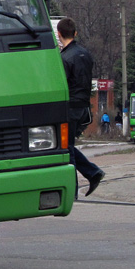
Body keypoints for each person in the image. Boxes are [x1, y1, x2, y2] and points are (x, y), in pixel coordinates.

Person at [56, 18, 105, 196]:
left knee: (65, 148)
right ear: (75, 33)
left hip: (69, 108)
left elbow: (62, 85)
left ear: (59, 34)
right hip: (83, 107)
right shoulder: (85, 54)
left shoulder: (63, 58)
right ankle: (92, 173)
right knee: (67, 145)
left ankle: (73, 189)